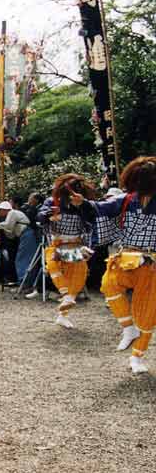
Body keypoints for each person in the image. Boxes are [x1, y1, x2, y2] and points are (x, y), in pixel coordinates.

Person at [88, 156, 156, 374]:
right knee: (109, 284)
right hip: (125, 257)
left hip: (152, 262)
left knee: (147, 312)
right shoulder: (127, 200)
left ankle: (137, 357)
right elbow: (102, 208)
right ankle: (128, 328)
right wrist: (83, 204)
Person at [38, 175, 95, 328]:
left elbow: (92, 218)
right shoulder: (52, 202)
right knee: (53, 267)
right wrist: (48, 215)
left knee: (78, 275)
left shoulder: (83, 205)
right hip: (57, 245)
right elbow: (39, 217)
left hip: (75, 245)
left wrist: (83, 206)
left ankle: (63, 313)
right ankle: (65, 295)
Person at [0, 201, 30, 286]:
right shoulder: (12, 215)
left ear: (4, 209)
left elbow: (8, 226)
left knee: (22, 259)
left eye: (0, 211)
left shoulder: (12, 213)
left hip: (26, 234)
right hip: (24, 236)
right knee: (21, 258)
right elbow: (11, 233)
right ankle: (21, 281)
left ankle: (23, 282)